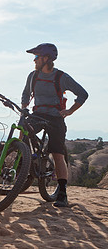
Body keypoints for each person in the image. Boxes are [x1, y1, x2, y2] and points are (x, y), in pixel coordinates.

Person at [22, 43, 88, 207]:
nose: (34, 60)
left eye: (36, 57)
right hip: (37, 115)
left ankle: (62, 193)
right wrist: (24, 108)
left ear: (46, 59)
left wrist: (70, 111)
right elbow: (25, 94)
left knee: (57, 153)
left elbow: (83, 94)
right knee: (22, 128)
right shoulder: (33, 76)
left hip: (55, 118)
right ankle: (25, 160)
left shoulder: (61, 77)